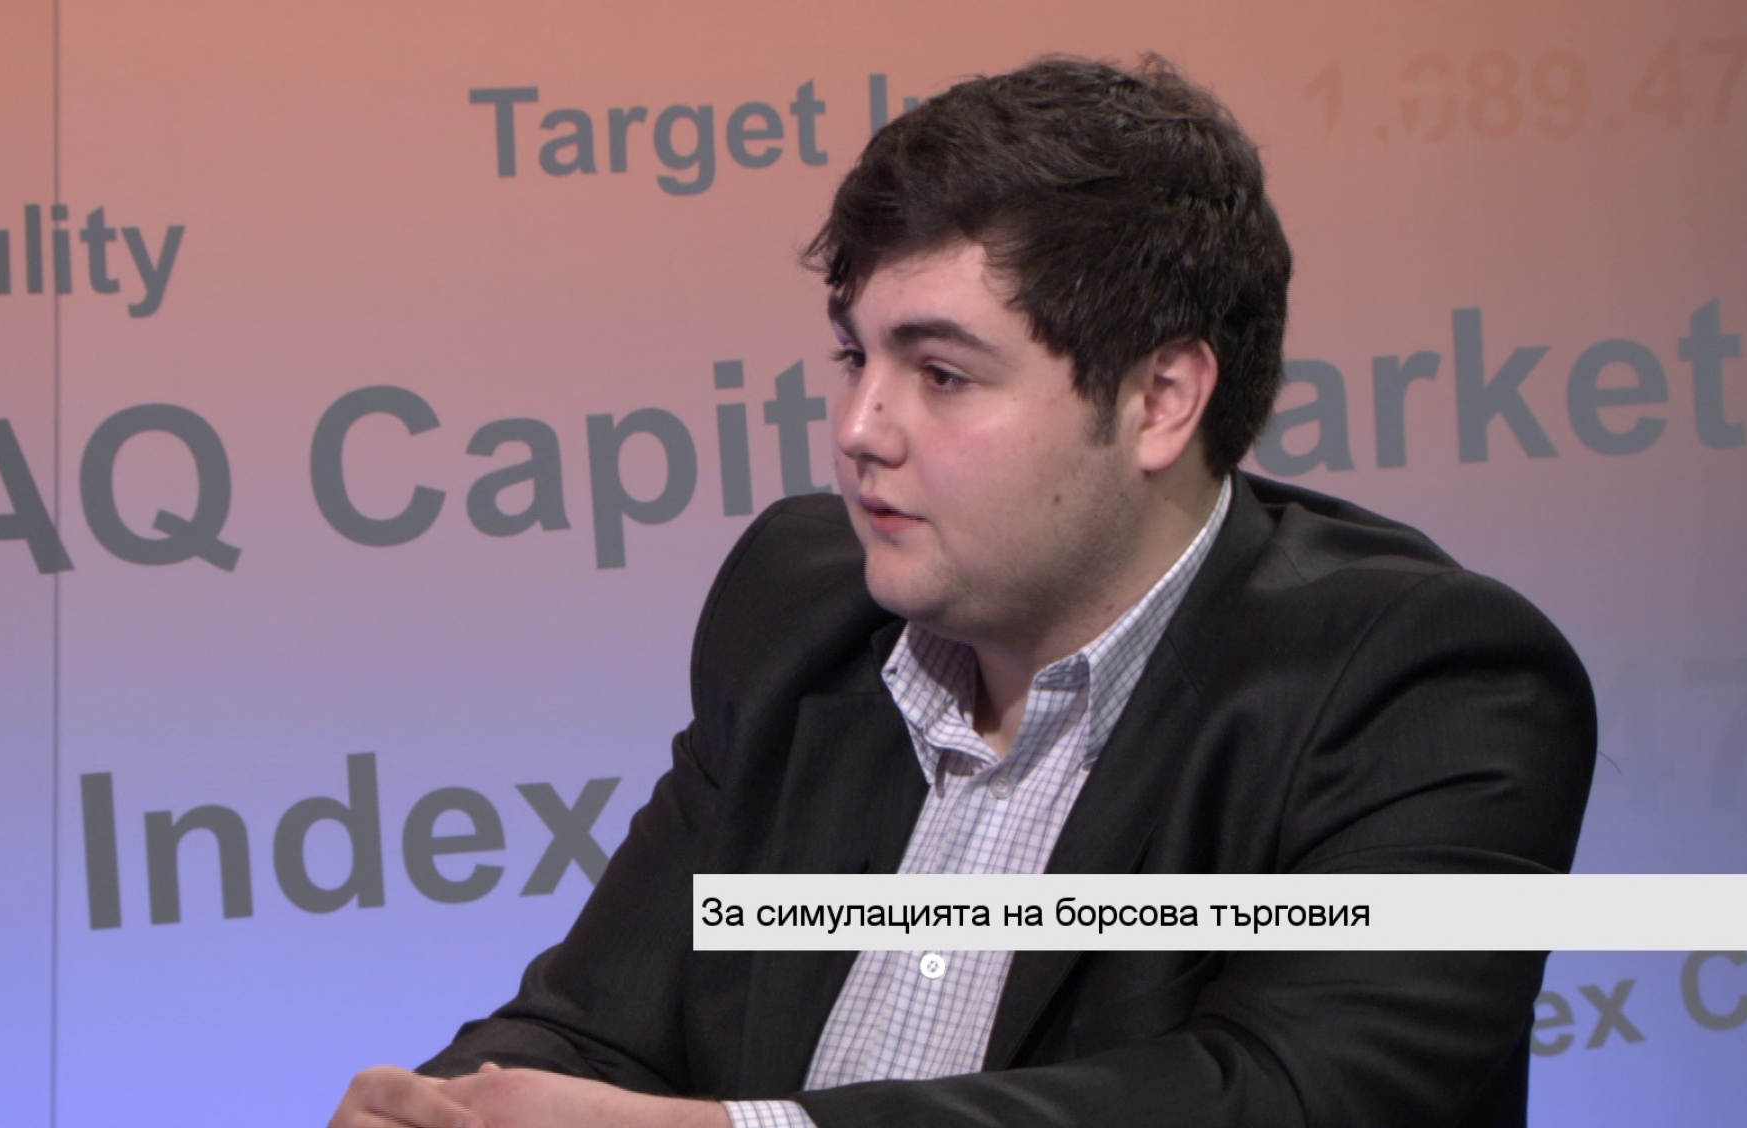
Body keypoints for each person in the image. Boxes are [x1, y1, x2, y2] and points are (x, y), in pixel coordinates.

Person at [330, 54, 1596, 1128]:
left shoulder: (1424, 683)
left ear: (1160, 400)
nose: (859, 430)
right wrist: (452, 1111)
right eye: (855, 359)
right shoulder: (801, 611)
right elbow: (598, 1027)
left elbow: (1280, 1095)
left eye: (940, 374)